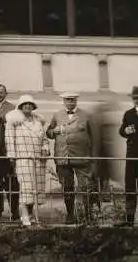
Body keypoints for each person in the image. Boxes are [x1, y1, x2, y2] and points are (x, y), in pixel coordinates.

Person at [46, 92, 99, 224]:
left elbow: (95, 138)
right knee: (67, 187)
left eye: (72, 100)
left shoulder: (86, 115)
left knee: (86, 187)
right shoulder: (57, 115)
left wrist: (94, 159)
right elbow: (49, 133)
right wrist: (54, 131)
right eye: (67, 100)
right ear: (63, 101)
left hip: (82, 158)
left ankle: (88, 216)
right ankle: (70, 215)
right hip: (63, 157)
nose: (70, 102)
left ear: (76, 100)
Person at [5, 95, 49, 226]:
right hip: (23, 159)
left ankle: (31, 214)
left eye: (30, 104)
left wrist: (45, 147)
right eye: (25, 104)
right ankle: (24, 215)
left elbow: (44, 139)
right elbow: (9, 139)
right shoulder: (15, 121)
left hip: (38, 159)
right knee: (26, 187)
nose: (28, 106)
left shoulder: (38, 121)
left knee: (36, 188)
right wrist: (12, 156)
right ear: (20, 106)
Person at [0, 83, 19, 220]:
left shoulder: (12, 109)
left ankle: (14, 211)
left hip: (7, 151)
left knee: (11, 183)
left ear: (6, 94)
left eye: (1, 92)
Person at [118, 86, 138, 226]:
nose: (137, 101)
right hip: (132, 157)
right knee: (130, 188)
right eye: (135, 98)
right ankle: (129, 220)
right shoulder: (128, 114)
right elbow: (121, 131)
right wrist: (126, 131)